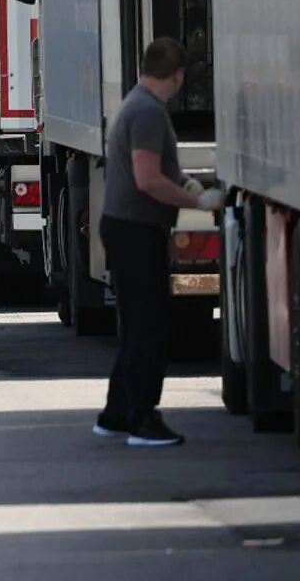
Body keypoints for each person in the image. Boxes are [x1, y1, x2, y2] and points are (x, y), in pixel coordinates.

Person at [93, 36, 225, 447]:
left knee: (136, 326)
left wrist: (183, 181)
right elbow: (148, 179)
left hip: (124, 226)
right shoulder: (149, 113)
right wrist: (198, 201)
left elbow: (155, 170)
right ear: (179, 75)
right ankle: (143, 419)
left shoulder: (136, 103)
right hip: (136, 230)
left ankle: (116, 415)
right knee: (149, 328)